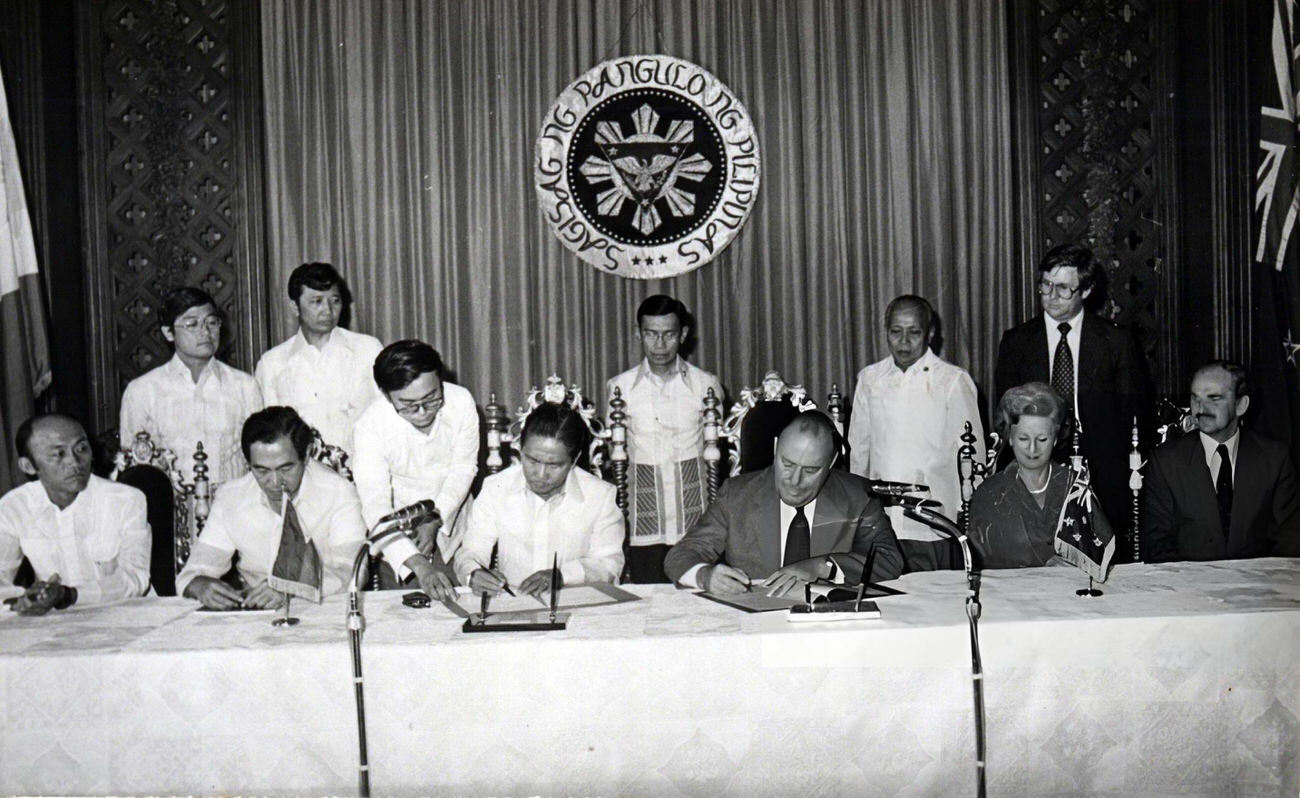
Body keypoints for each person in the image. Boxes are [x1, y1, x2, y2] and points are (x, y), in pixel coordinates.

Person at [176, 407, 446, 608]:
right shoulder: (231, 497)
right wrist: (199, 585)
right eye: (261, 470)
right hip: (256, 613)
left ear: (305, 455)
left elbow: (353, 571)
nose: (274, 482)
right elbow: (196, 569)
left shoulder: (338, 493)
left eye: (286, 468)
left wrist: (292, 590)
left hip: (323, 609)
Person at [994, 243, 1148, 559]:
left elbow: (1134, 414)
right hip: (1036, 470)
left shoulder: (1116, 341)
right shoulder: (1017, 341)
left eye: (1063, 288)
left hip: (1101, 477)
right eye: (1045, 285)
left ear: (1087, 290)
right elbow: (1005, 418)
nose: (1050, 296)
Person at [664, 411, 904, 596]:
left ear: (830, 463)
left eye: (810, 470)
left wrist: (824, 567)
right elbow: (680, 555)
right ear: (776, 449)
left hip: (829, 630)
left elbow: (889, 561)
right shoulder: (737, 495)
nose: (795, 481)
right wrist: (705, 576)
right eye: (787, 464)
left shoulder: (859, 496)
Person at [847, 295, 985, 571]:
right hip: (881, 520)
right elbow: (859, 451)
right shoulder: (870, 379)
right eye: (896, 332)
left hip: (933, 521)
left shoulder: (952, 381)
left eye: (914, 332)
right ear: (885, 330)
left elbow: (971, 455)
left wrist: (965, 514)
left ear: (930, 333)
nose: (904, 342)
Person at [605, 294, 724, 583]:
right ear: (638, 333)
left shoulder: (705, 385)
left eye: (668, 334)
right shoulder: (620, 388)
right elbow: (615, 453)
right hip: (644, 520)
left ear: (683, 334)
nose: (659, 345)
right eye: (651, 334)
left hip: (694, 517)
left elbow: (716, 452)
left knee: (698, 601)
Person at [454, 402, 624, 597]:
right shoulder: (496, 488)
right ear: (520, 449)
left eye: (554, 465)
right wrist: (473, 573)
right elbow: (470, 552)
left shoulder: (600, 495)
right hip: (513, 603)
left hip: (576, 603)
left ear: (574, 459)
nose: (540, 475)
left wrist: (562, 576)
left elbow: (610, 566)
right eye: (533, 461)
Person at [1141, 361, 1300, 562]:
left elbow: (1290, 539)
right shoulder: (1166, 461)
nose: (1200, 408)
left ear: (1241, 405)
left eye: (1214, 398)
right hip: (1189, 587)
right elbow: (1157, 544)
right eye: (1195, 398)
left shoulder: (1274, 458)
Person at [351, 341, 478, 592]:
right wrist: (417, 564)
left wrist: (435, 518)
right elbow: (375, 504)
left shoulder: (461, 401)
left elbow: (463, 469)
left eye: (431, 398)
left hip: (454, 529)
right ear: (387, 395)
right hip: (400, 538)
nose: (422, 412)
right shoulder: (370, 426)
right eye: (408, 405)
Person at [0, 414, 150, 614]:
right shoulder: (14, 506)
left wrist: (69, 595)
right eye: (59, 454)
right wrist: (22, 600)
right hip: (54, 623)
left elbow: (134, 579)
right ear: (28, 466)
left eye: (81, 449)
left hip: (125, 616)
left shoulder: (126, 500)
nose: (75, 462)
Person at [119, 287, 263, 484]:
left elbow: (260, 457)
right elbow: (133, 465)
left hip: (232, 507)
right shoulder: (142, 391)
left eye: (212, 322)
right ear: (169, 333)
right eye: (192, 324)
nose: (205, 332)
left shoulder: (244, 386)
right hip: (171, 509)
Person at [967, 382, 1109, 568]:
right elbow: (977, 567)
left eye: (1042, 439)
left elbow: (1101, 552)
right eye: (1023, 438)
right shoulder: (988, 494)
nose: (1032, 449)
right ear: (1009, 437)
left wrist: (1075, 566)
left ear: (1056, 438)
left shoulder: (1075, 486)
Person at [254, 262, 384, 455]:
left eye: (335, 301)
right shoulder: (273, 363)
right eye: (316, 301)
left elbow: (386, 417)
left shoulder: (367, 350)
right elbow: (269, 434)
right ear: (295, 306)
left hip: (361, 472)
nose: (328, 310)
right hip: (304, 478)